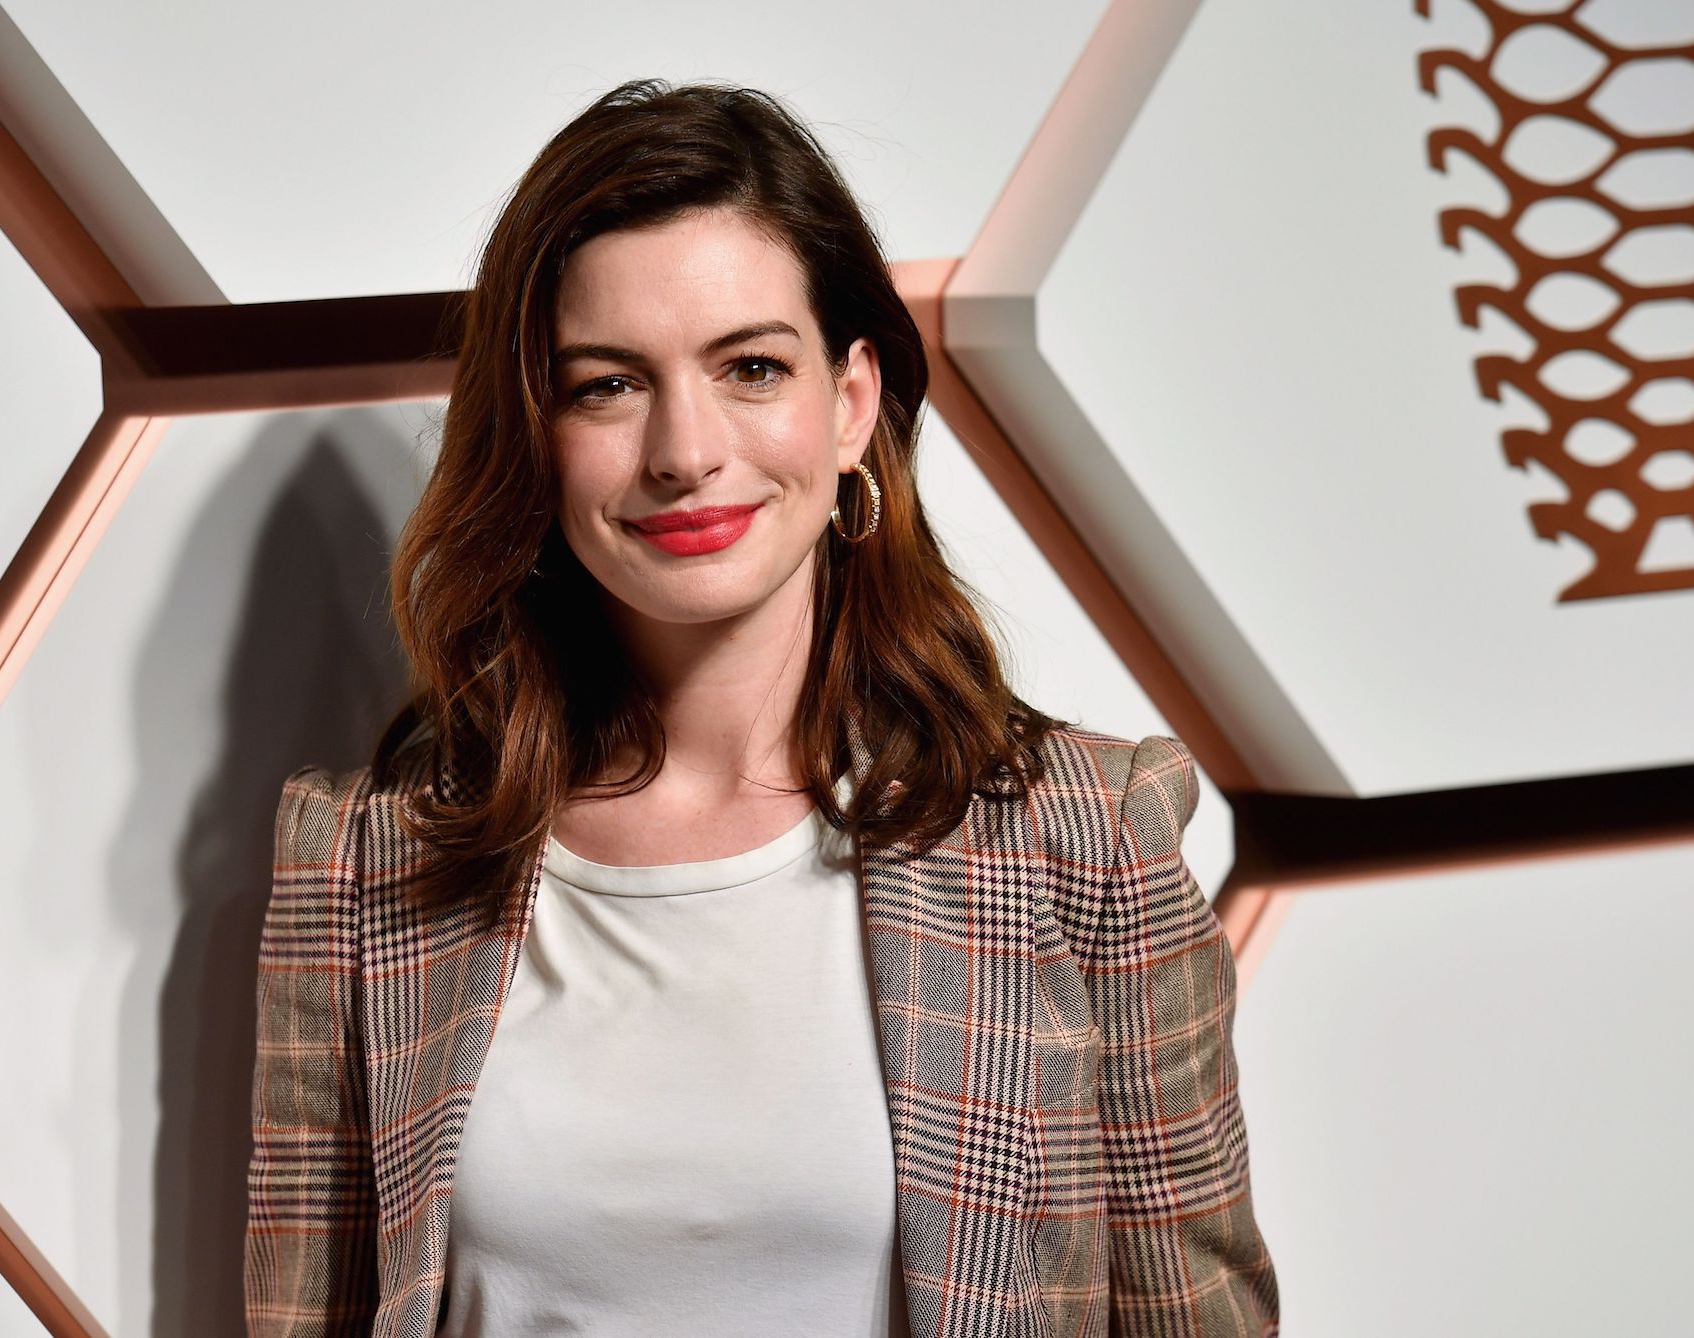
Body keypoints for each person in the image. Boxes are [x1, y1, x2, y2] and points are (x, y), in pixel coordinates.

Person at [243, 78, 1278, 1337]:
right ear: (534, 429)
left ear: (848, 404)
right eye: (605, 385)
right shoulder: (364, 865)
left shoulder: (1080, 838)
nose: (684, 448)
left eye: (748, 367)